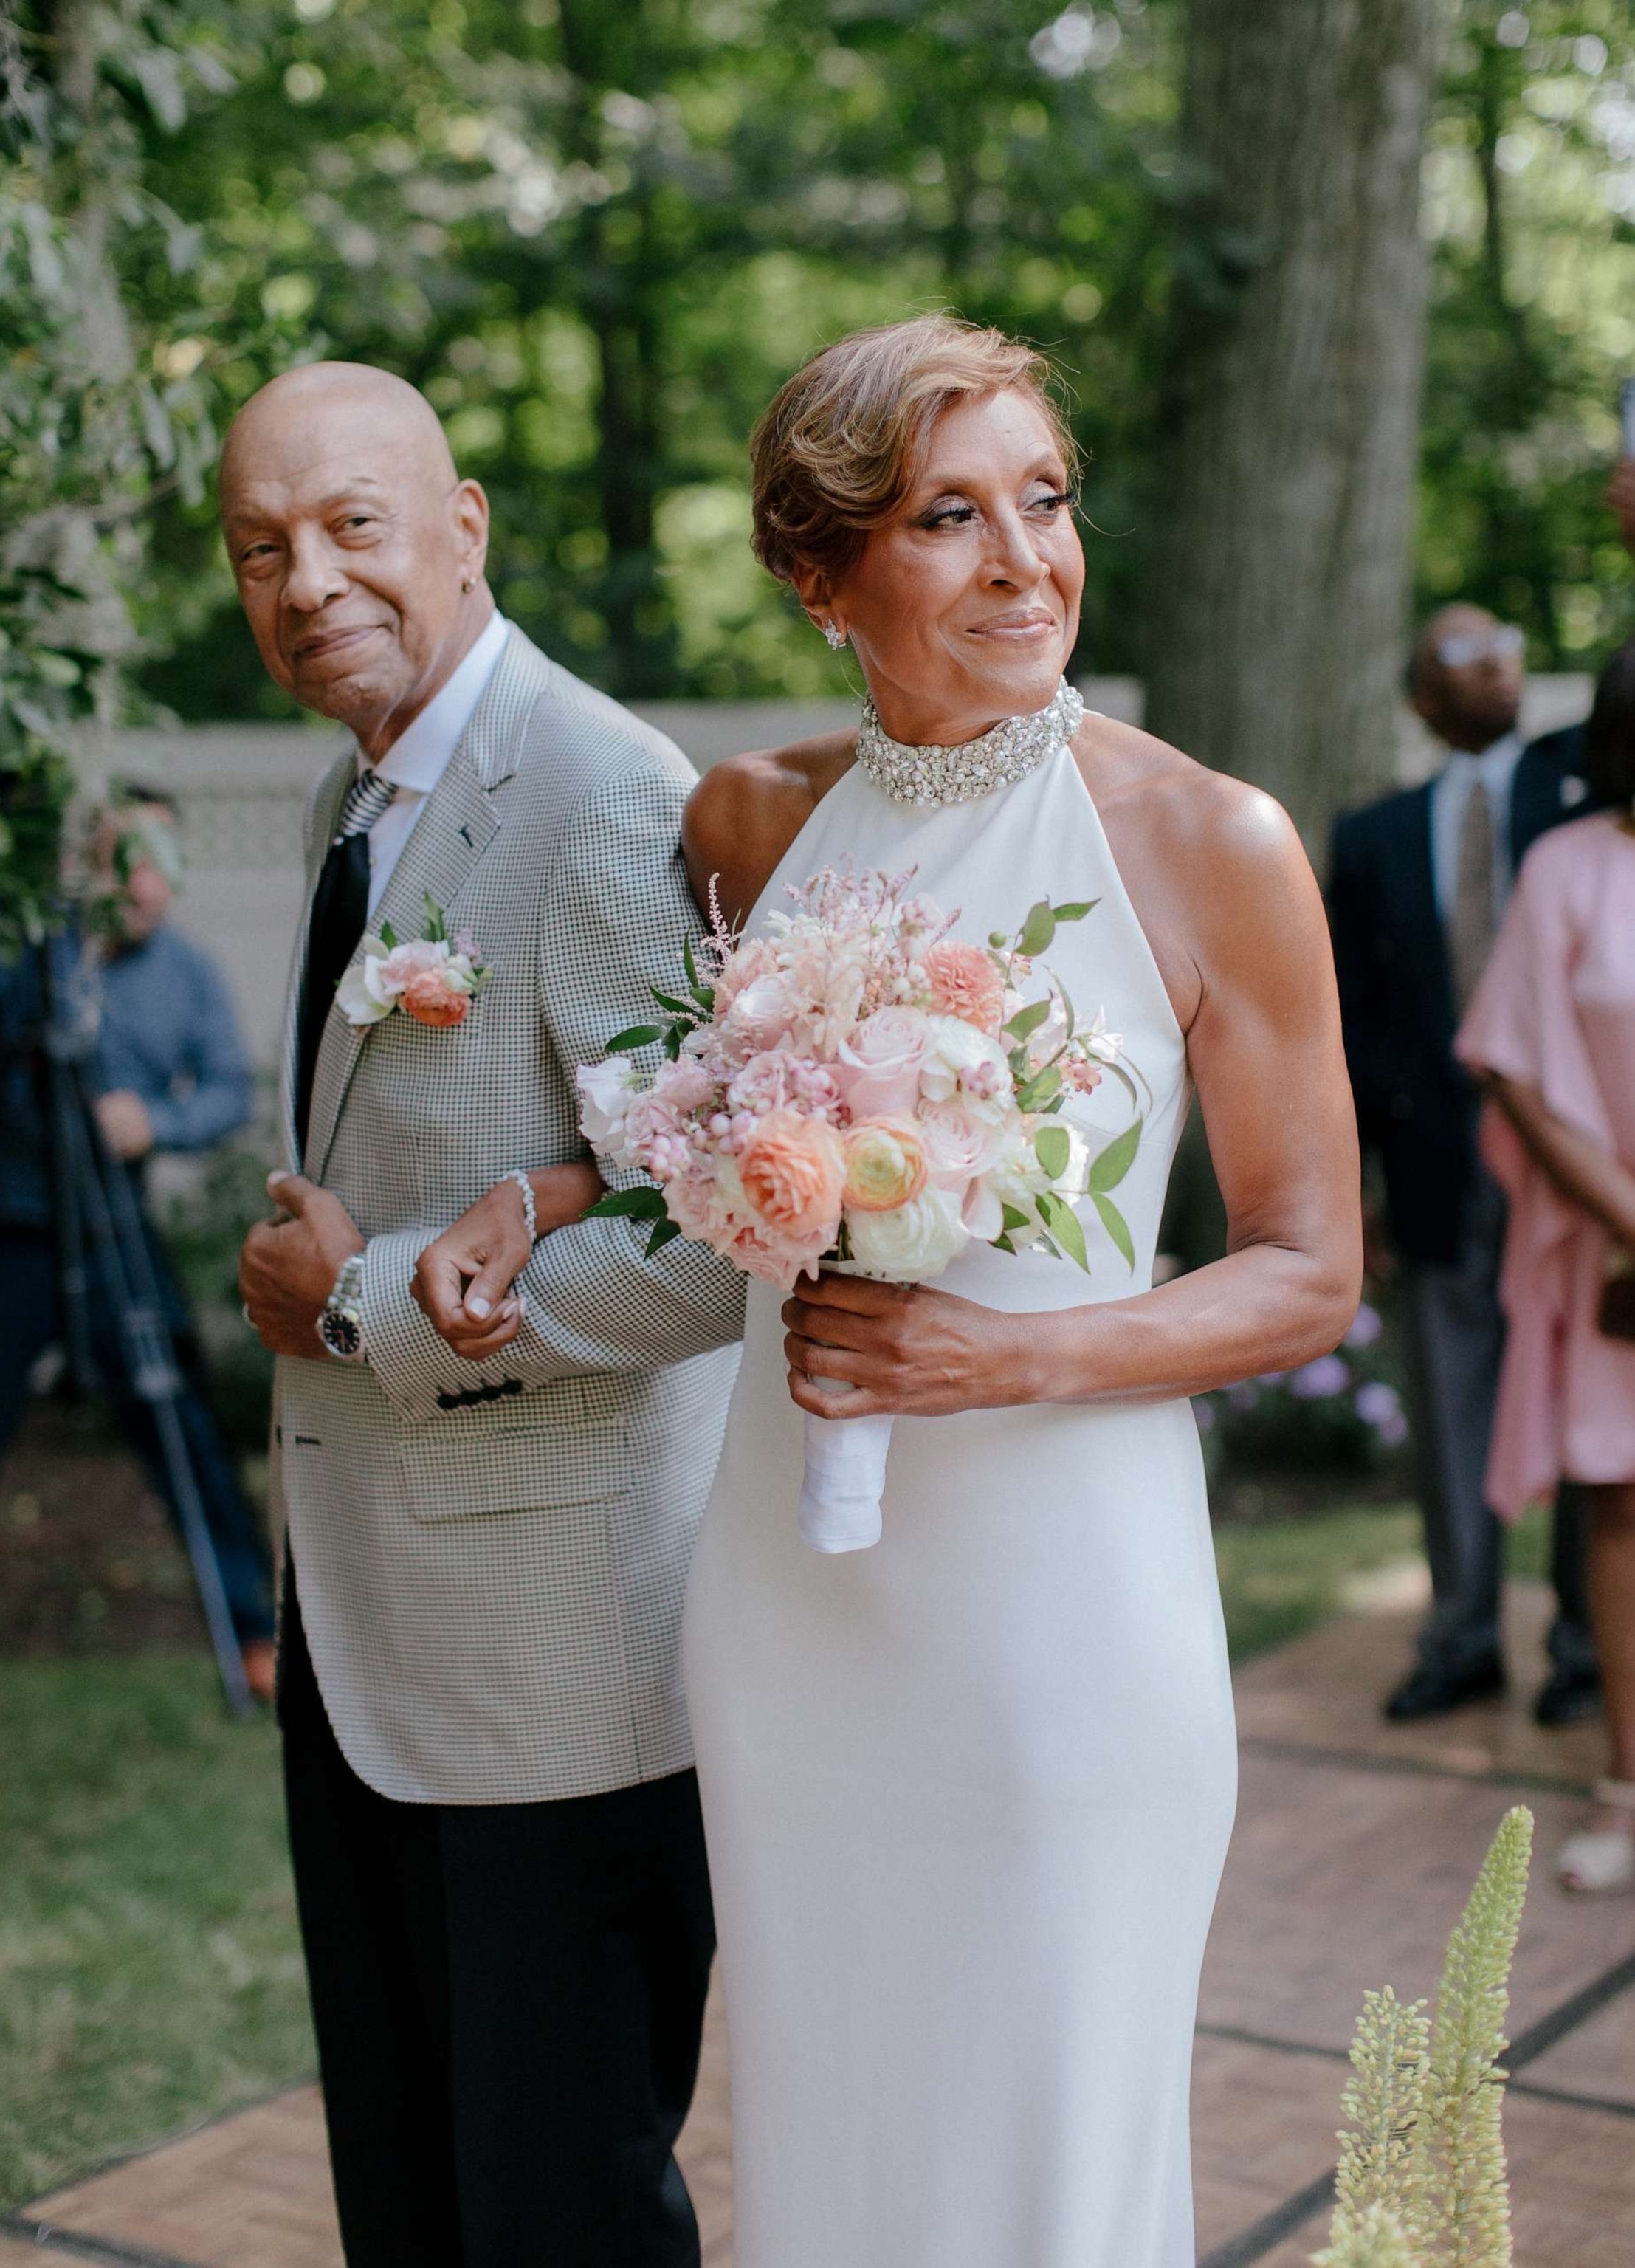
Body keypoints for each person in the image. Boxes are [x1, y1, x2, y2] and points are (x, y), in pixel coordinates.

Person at [676, 315, 1361, 2267]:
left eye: (1043, 503)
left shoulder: (1208, 843)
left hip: (1062, 1600)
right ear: (825, 579)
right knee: (826, 2119)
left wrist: (1012, 1352)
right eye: (946, 518)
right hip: (792, 1595)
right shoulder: (746, 827)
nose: (1025, 563)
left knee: (1058, 2132)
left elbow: (1312, 1273)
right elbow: (707, 1157)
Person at [221, 362, 746, 2267]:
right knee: (413, 2211)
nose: (306, 582)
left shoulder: (604, 788)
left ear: (466, 530)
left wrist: (357, 1301)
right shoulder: (344, 798)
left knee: (559, 2225)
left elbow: (709, 1252)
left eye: (353, 525)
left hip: (554, 1699)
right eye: (261, 548)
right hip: (367, 1653)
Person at [0, 790, 275, 1736]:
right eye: (123, 855)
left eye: (162, 857)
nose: (143, 881)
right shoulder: (28, 947)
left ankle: (252, 1637)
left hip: (117, 1236)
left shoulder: (190, 976)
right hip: (0, 1231)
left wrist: (152, 1122)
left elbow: (222, 1095)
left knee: (185, 1433)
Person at [1329, 604, 1604, 1725]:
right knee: (1450, 1403)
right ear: (1419, 696)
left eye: (1506, 644)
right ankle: (1463, 1637)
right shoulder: (1373, 833)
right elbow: (1344, 1022)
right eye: (1460, 652)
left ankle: (1589, 1646)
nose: (1494, 662)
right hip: (1437, 1162)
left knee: (1592, 1389)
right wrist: (1352, 1182)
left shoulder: (1576, 793)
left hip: (1576, 1159)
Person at [1457, 636, 1635, 1893]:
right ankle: (1625, 1792)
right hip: (1614, 1241)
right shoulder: (1568, 868)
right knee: (1622, 1508)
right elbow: (1511, 1064)